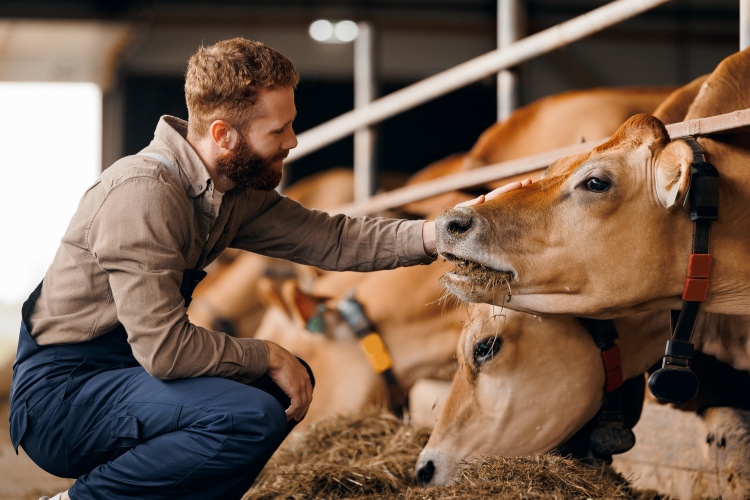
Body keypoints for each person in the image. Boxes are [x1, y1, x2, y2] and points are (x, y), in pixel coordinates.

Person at [9, 37, 531, 500]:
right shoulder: (144, 195)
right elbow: (166, 351)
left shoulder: (230, 193)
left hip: (123, 375)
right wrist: (266, 353)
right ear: (224, 135)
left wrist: (444, 232)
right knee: (250, 413)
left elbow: (333, 238)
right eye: (278, 129)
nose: (292, 140)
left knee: (274, 394)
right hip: (64, 395)